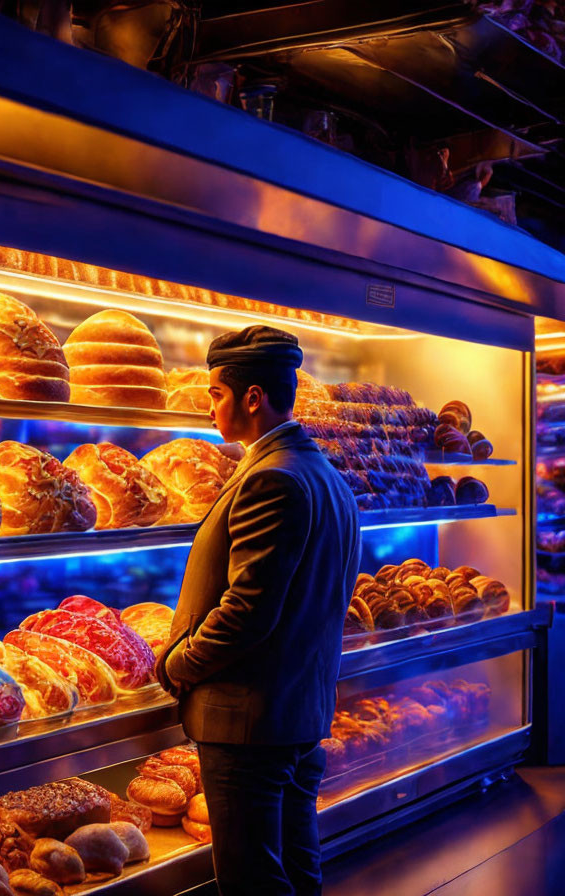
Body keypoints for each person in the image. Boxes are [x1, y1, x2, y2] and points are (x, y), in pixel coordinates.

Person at [156, 325, 361, 896]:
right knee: (297, 864)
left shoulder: (271, 478)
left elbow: (248, 610)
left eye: (216, 394)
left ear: (253, 396)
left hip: (249, 721)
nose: (209, 408)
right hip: (298, 709)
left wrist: (179, 664)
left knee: (252, 879)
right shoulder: (325, 475)